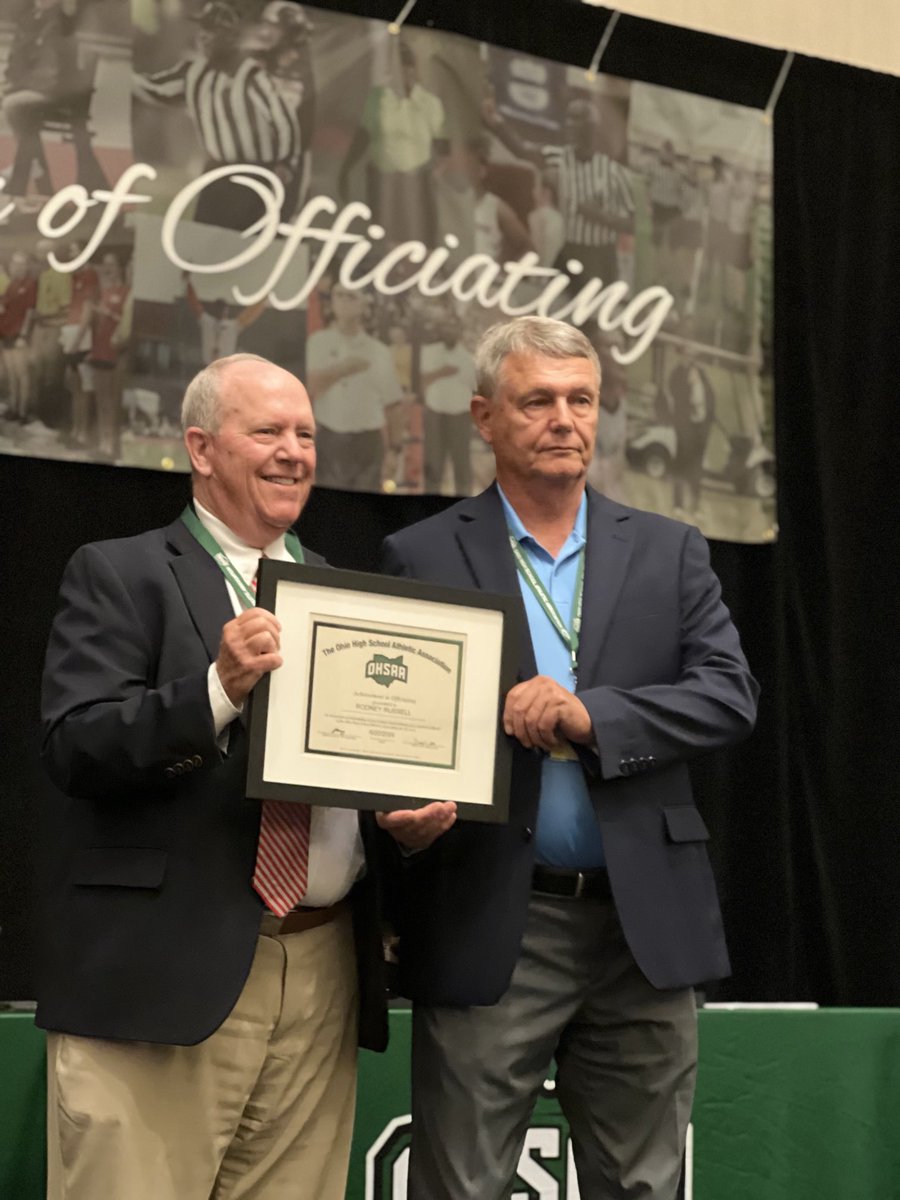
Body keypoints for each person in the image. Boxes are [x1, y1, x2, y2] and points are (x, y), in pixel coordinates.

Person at [377, 316, 758, 1200]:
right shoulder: (423, 554)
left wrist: (593, 716)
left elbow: (729, 696)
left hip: (642, 925)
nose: (564, 419)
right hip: (496, 914)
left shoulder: (669, 550)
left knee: (642, 1185)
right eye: (537, 400)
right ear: (483, 416)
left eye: (580, 400)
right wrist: (395, 813)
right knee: (461, 1184)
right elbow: (396, 722)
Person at [38, 353, 391, 1200]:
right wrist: (215, 690)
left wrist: (400, 820)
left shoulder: (354, 602)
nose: (293, 452)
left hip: (321, 968)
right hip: (161, 976)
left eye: (305, 434)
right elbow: (75, 745)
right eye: (266, 430)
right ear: (200, 447)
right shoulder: (119, 572)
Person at [133, 0, 299, 231]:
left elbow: (283, 120)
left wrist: (285, 163)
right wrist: (123, 77)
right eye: (203, 30)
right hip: (216, 172)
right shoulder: (194, 72)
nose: (204, 37)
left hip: (257, 171)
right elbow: (156, 90)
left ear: (229, 37)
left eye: (212, 31)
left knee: (248, 243)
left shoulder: (251, 73)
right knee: (204, 240)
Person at [306, 283, 403, 492]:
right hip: (329, 440)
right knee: (329, 509)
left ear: (363, 306)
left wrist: (395, 449)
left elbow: (393, 404)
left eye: (351, 297)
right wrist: (345, 368)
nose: (343, 301)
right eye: (338, 295)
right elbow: (313, 387)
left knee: (363, 511)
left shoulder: (378, 351)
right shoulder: (318, 342)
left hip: (367, 443)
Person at [420, 309, 476, 494]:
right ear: (441, 330)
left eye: (453, 327)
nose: (449, 331)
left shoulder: (469, 357)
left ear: (459, 331)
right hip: (434, 414)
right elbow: (421, 380)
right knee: (433, 462)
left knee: (461, 463)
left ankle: (465, 507)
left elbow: (476, 388)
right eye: (446, 327)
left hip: (460, 415)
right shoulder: (428, 352)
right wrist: (442, 372)